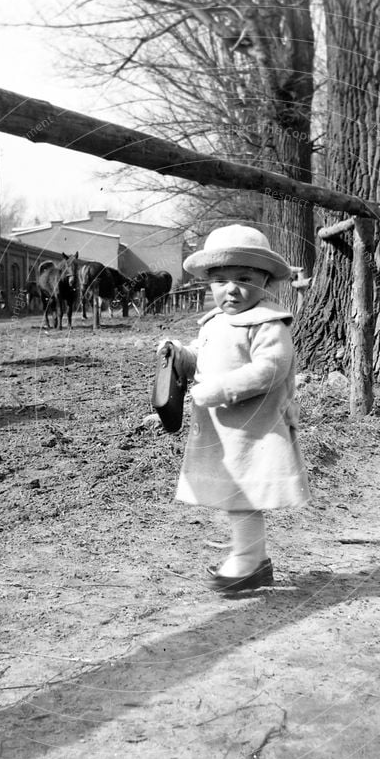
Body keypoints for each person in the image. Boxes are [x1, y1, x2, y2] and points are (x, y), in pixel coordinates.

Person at [162, 224, 310, 592]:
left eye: (244, 278)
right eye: (220, 280)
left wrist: (221, 389)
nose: (231, 289)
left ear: (267, 282)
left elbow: (270, 369)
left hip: (254, 428)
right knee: (235, 494)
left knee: (244, 496)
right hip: (224, 432)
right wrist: (180, 356)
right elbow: (205, 359)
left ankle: (250, 560)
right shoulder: (216, 322)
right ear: (208, 284)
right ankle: (249, 555)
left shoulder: (268, 324)